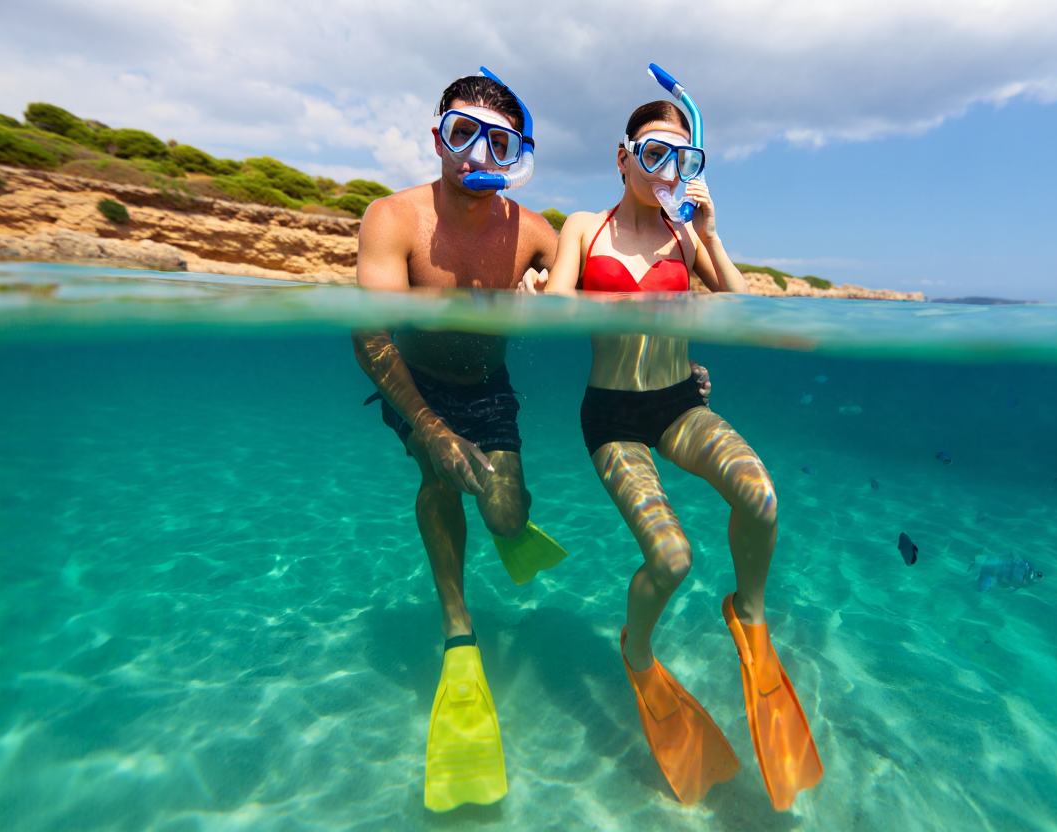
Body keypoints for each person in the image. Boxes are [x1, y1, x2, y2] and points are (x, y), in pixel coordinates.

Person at [526, 97, 823, 810]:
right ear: (624, 157)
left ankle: (748, 615)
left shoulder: (686, 238)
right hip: (613, 417)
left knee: (762, 495)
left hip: (679, 405)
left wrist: (712, 236)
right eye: (652, 152)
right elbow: (555, 307)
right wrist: (536, 293)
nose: (665, 168)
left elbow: (743, 307)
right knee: (672, 557)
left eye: (680, 157)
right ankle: (636, 651)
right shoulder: (583, 227)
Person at [351, 69, 569, 813]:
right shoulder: (393, 217)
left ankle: (505, 518)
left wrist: (546, 298)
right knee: (441, 475)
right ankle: (458, 624)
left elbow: (581, 296)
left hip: (490, 389)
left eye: (497, 140)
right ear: (438, 135)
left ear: (517, 152)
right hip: (417, 385)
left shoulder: (535, 231)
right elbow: (370, 335)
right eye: (461, 132)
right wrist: (431, 427)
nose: (475, 151)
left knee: (505, 511)